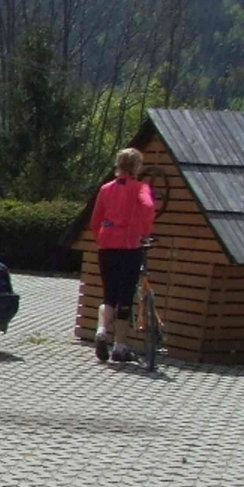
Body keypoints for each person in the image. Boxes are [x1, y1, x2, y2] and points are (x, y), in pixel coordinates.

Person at [89, 147, 157, 363]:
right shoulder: (140, 188)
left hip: (106, 246)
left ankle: (101, 331)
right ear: (136, 166)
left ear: (118, 165)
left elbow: (95, 221)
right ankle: (119, 347)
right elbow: (148, 206)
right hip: (129, 246)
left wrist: (102, 238)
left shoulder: (106, 188)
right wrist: (144, 233)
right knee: (125, 297)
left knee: (109, 295)